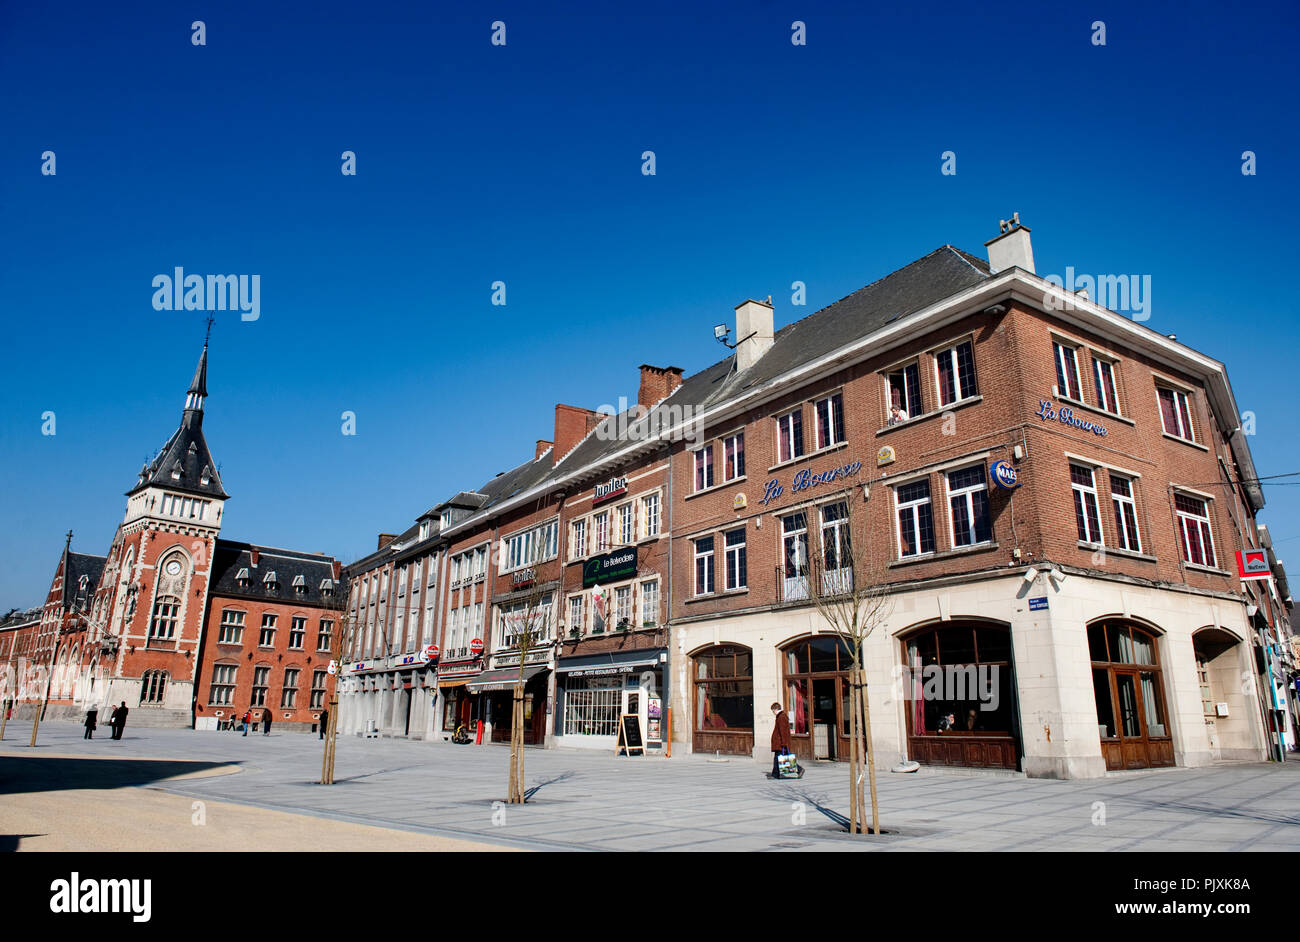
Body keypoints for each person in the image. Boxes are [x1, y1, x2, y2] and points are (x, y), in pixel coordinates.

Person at [769, 701, 793, 778]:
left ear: (776, 709)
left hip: (780, 743)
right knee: (780, 758)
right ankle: (775, 774)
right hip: (779, 743)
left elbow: (783, 731)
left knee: (777, 758)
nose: (773, 712)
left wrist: (783, 743)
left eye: (773, 711)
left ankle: (775, 774)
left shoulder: (781, 717)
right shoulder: (780, 717)